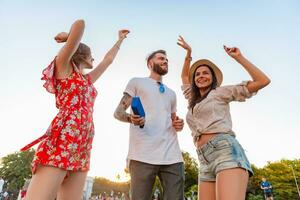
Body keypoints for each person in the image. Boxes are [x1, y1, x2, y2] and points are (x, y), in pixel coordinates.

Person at [20, 19, 129, 200]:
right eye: (91, 55)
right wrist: (69, 38)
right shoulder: (63, 67)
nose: (94, 58)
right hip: (63, 137)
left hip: (83, 141)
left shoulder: (86, 80)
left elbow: (107, 60)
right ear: (82, 54)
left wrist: (120, 40)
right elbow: (80, 23)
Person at [177, 36, 270, 200]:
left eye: (205, 73)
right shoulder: (192, 98)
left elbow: (262, 81)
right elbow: (185, 76)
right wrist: (188, 53)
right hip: (203, 160)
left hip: (225, 152)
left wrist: (239, 58)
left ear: (213, 78)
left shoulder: (220, 92)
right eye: (197, 74)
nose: (201, 76)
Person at [114, 49, 185, 200]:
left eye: (166, 59)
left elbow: (174, 120)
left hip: (172, 156)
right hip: (142, 155)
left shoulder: (172, 93)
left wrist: (178, 124)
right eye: (161, 58)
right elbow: (118, 112)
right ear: (150, 63)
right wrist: (131, 118)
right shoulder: (137, 82)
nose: (165, 61)